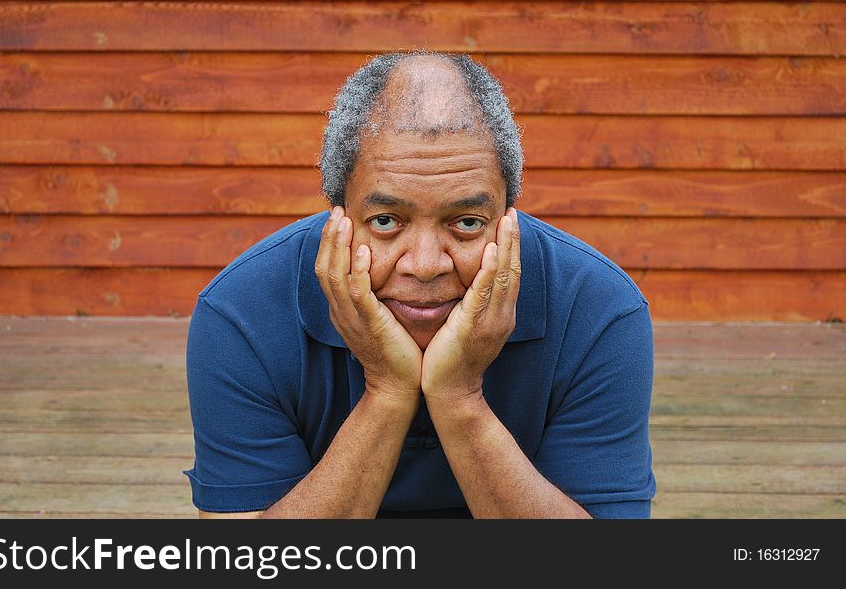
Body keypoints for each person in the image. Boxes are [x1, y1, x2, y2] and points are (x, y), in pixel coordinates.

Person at [185, 51, 656, 518]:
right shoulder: (241, 312)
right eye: (386, 220)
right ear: (339, 212)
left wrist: (460, 397)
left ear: (507, 216)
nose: (426, 265)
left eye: (467, 222)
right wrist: (387, 390)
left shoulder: (599, 309)